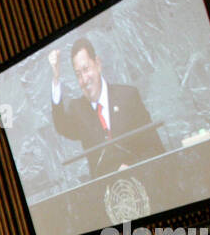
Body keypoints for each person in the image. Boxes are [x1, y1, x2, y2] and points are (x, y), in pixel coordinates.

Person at [49, 36, 163, 179]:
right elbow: (62, 126)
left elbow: (154, 147)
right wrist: (56, 77)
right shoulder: (78, 110)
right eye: (78, 74)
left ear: (98, 64)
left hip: (142, 184)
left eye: (86, 69)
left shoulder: (128, 96)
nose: (84, 79)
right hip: (107, 195)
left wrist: (133, 168)